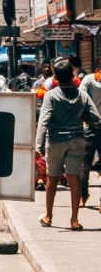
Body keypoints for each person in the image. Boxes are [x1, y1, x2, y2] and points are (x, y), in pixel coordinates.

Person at [35, 58, 101, 231]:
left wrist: (39, 145)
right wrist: (86, 120)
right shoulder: (82, 95)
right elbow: (96, 119)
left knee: (53, 178)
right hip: (77, 140)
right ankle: (74, 220)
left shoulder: (51, 95)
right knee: (74, 178)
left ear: (55, 77)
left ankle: (48, 216)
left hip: (56, 141)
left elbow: (44, 121)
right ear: (72, 75)